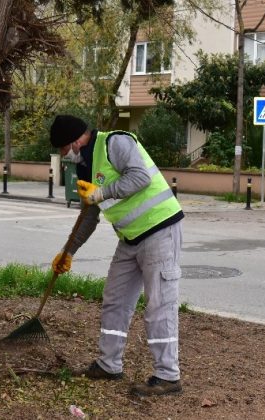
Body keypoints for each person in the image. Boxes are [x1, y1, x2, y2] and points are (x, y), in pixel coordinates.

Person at [48, 114, 184, 397]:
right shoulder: (86, 166)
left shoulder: (115, 143)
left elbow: (140, 177)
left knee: (159, 305)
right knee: (115, 299)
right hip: (130, 238)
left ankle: (168, 376)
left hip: (160, 229)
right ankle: (109, 365)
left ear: (74, 141)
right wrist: (67, 252)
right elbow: (89, 216)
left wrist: (101, 193)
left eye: (62, 150)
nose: (63, 156)